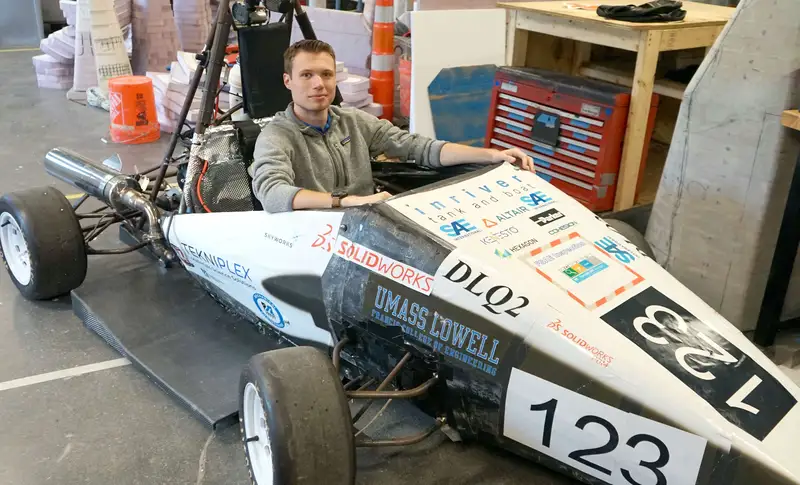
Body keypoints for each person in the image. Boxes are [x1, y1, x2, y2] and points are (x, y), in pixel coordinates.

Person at [249, 39, 535, 213]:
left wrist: (493, 155)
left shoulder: (353, 121)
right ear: (288, 81)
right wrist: (345, 202)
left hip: (370, 224)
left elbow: (420, 148)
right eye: (306, 75)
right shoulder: (276, 136)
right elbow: (273, 194)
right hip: (316, 235)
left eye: (326, 74)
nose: (318, 84)